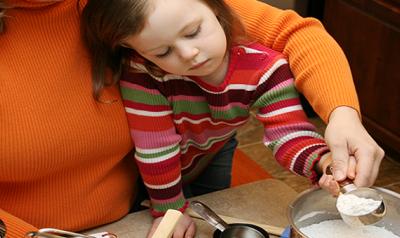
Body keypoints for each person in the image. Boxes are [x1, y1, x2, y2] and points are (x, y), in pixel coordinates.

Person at [0, 0, 383, 237]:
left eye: (195, 32)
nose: (189, 56)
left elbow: (294, 39)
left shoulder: (260, 66)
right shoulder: (143, 74)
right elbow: (156, 148)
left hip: (169, 186)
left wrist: (334, 137)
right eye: (164, 50)